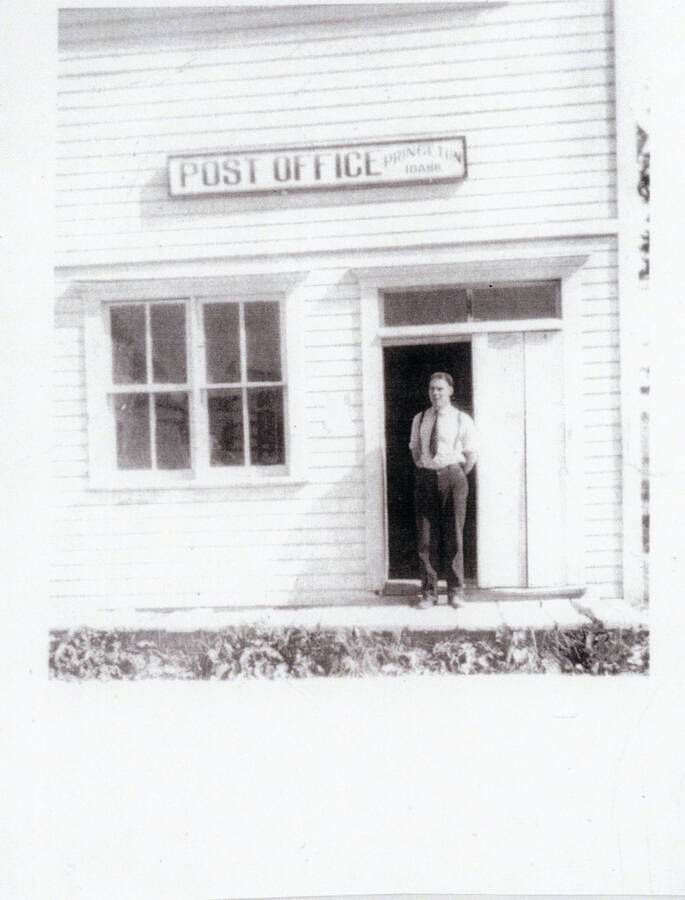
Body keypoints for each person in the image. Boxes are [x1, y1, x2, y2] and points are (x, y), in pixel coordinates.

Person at [408, 372, 477, 609]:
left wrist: (455, 474)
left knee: (454, 535)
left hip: (453, 477)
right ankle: (428, 593)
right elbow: (416, 450)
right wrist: (428, 469)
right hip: (426, 478)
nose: (435, 393)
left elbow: (471, 454)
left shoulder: (461, 419)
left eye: (440, 389)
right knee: (426, 538)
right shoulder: (420, 418)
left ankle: (456, 592)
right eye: (432, 389)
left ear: (450, 391)